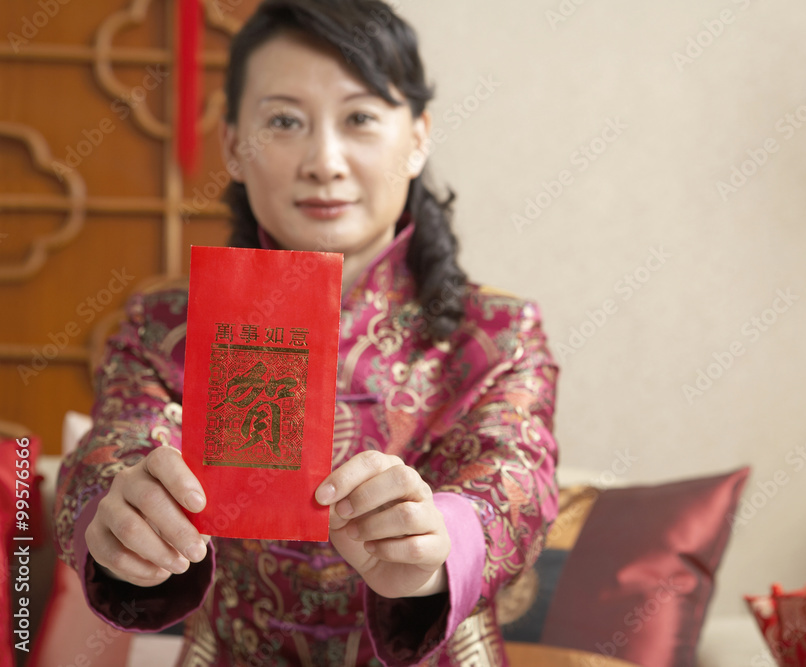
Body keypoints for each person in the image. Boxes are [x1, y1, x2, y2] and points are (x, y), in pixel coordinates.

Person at [52, 1, 560, 664]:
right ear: (234, 144)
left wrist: (440, 540)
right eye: (285, 120)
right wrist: (116, 514)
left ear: (417, 138)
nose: (324, 161)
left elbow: (516, 477)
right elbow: (115, 442)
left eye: (360, 118)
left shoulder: (497, 331)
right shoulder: (167, 324)